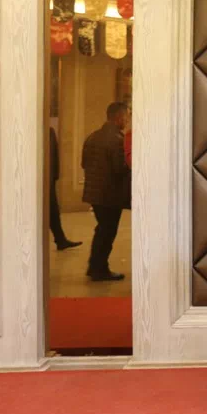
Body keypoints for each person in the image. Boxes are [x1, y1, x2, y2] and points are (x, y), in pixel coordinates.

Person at [81, 102, 130, 281]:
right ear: (118, 117)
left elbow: (84, 163)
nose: (127, 120)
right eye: (127, 115)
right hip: (110, 195)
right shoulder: (117, 140)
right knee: (107, 232)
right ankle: (99, 269)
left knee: (102, 229)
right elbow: (119, 168)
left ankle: (95, 266)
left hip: (94, 193)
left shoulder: (92, 137)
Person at [49, 127, 81, 251]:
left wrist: (54, 176)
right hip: (43, 179)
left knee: (53, 210)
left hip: (48, 179)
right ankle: (60, 239)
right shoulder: (47, 131)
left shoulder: (49, 131)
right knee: (51, 210)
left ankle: (60, 239)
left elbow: (54, 156)